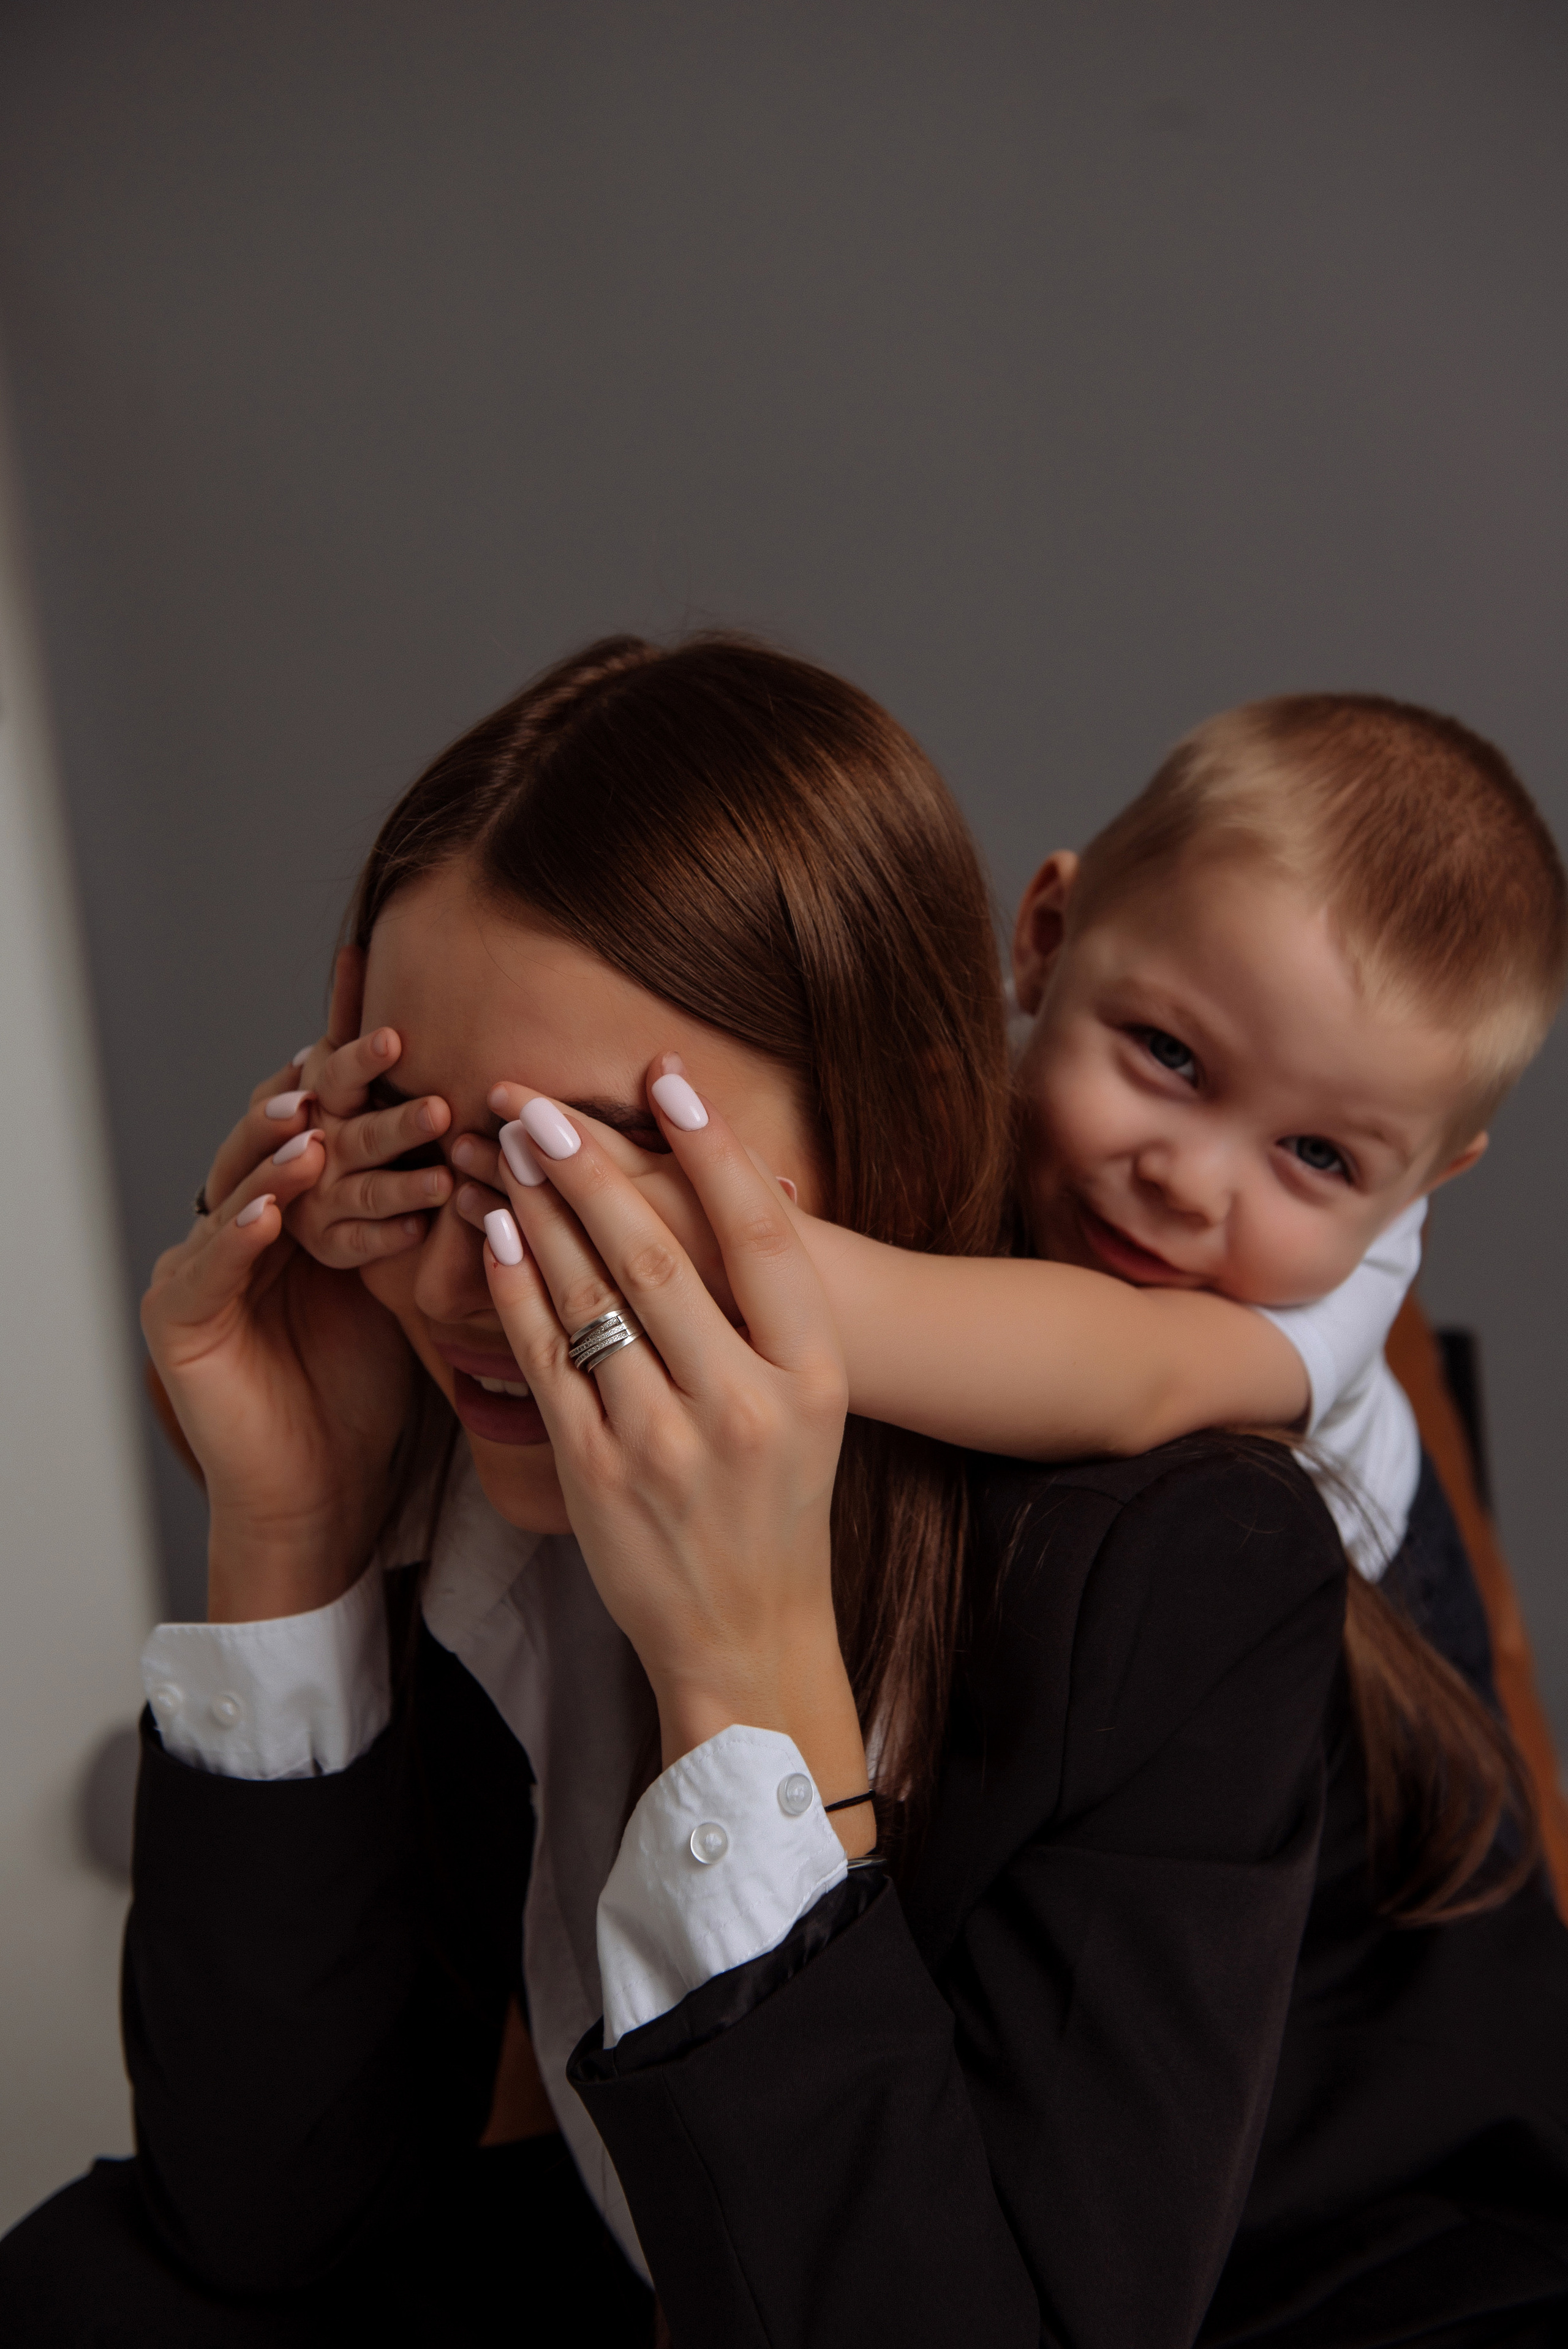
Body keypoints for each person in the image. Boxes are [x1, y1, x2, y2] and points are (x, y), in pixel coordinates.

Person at [6, 638, 1567, 2347]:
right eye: (420, 1140)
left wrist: (744, 1670)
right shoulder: (481, 1401)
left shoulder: (1181, 1522)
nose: (474, 1273)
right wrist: (292, 1526)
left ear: (869, 1154)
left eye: (595, 1174)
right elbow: (263, 2210)